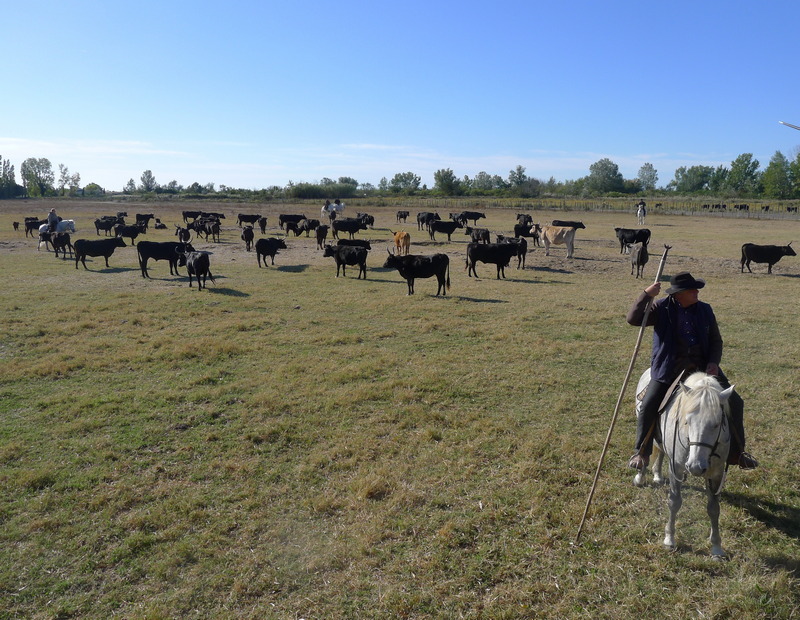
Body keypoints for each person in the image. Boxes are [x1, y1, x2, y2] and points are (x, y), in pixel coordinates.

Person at [626, 271, 758, 470]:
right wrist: (646, 294)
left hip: (703, 368)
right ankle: (642, 453)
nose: (697, 292)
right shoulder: (661, 307)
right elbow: (633, 319)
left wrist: (713, 362)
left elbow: (716, 340)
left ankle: (737, 454)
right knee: (648, 405)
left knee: (736, 402)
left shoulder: (705, 309)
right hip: (668, 370)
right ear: (679, 294)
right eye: (692, 290)